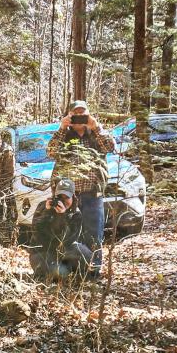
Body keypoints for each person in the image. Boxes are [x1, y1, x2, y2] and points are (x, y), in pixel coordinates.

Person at [47, 100, 115, 276]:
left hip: (93, 194)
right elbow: (51, 152)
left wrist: (96, 126)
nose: (80, 117)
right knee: (69, 234)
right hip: (69, 197)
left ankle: (93, 272)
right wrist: (62, 128)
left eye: (83, 113)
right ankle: (71, 271)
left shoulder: (95, 134)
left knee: (94, 235)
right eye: (76, 114)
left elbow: (110, 147)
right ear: (70, 115)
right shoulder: (64, 136)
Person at [28, 178, 92, 280]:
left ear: (73, 197)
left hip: (63, 252)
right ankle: (50, 274)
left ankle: (70, 276)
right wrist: (47, 213)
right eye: (59, 197)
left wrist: (63, 216)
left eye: (66, 197)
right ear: (54, 196)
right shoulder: (43, 207)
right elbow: (37, 235)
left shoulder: (76, 214)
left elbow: (67, 241)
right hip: (43, 251)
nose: (63, 201)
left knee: (86, 253)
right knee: (53, 272)